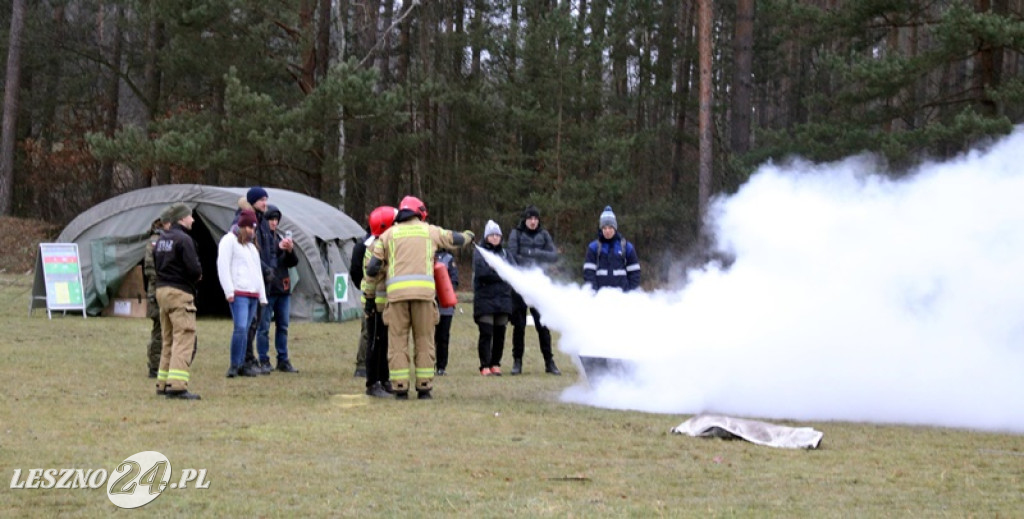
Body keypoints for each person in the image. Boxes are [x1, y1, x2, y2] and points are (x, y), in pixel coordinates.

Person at [365, 196, 474, 400]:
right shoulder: (429, 231)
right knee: (424, 340)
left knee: (397, 342)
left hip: (396, 298)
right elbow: (455, 239)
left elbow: (372, 268)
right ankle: (424, 388)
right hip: (423, 297)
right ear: (419, 213)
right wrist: (469, 235)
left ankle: (400, 388)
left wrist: (370, 297)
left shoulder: (388, 235)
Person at [153, 202, 202, 400]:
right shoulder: (184, 240)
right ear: (182, 218)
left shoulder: (161, 240)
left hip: (162, 292)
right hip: (180, 293)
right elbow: (194, 269)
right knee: (184, 337)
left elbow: (156, 265)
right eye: (190, 216)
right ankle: (177, 387)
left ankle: (163, 383)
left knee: (168, 340)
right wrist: (198, 275)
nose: (193, 219)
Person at [506, 205, 560, 375]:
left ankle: (549, 362)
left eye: (536, 218)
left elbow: (553, 255)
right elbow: (512, 256)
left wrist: (532, 252)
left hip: (538, 286)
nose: (533, 221)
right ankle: (517, 362)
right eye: (530, 218)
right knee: (519, 326)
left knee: (543, 325)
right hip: (520, 287)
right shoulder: (516, 234)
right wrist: (530, 258)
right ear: (525, 219)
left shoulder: (544, 234)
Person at [218, 209, 268, 378]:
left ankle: (241, 364)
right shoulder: (228, 241)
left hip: (252, 294)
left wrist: (262, 295)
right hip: (239, 293)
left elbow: (257, 272)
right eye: (249, 227)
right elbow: (223, 266)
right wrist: (229, 290)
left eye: (254, 228)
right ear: (242, 226)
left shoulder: (252, 248)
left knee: (246, 329)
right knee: (240, 328)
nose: (252, 231)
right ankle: (234, 364)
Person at [256, 204, 300, 373]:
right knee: (264, 327)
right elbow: (262, 258)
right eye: (271, 219)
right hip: (268, 289)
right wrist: (277, 247)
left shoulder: (280, 237)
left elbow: (293, 262)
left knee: (283, 326)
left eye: (276, 219)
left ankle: (283, 359)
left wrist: (290, 250)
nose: (274, 223)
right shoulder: (260, 238)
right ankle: (263, 359)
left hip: (283, 288)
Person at [361, 206, 398, 398]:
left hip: (386, 305)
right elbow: (370, 277)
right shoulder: (375, 247)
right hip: (376, 304)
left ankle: (384, 379)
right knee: (374, 344)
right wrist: (369, 302)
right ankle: (372, 383)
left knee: (384, 343)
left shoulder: (386, 245)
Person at [473, 220, 516, 376]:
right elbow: (482, 273)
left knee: (500, 333)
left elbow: (512, 271)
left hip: (503, 299)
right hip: (485, 299)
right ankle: (484, 365)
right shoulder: (479, 252)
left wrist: (495, 270)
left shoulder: (506, 254)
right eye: (492, 235)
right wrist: (501, 272)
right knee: (486, 332)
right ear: (486, 237)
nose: (495, 237)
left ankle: (495, 364)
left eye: (497, 235)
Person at [244, 186, 276, 374]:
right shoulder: (246, 220)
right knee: (249, 322)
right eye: (261, 200)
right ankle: (246, 359)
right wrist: (264, 268)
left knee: (256, 321)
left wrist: (271, 268)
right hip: (251, 279)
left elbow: (270, 249)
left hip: (263, 278)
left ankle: (251, 357)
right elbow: (249, 251)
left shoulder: (262, 222)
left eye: (266, 199)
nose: (265, 203)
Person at [583, 206, 641, 292]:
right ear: (601, 229)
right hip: (600, 296)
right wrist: (594, 293)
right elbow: (588, 273)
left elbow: (635, 273)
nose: (607, 231)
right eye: (604, 228)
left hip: (622, 296)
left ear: (615, 228)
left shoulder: (627, 247)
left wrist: (629, 293)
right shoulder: (593, 247)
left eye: (610, 227)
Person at [143, 212, 171, 378]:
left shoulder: (167, 239)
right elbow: (150, 268)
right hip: (157, 292)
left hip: (163, 290)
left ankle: (163, 363)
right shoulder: (155, 241)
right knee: (159, 331)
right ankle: (155, 365)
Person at [349, 219, 371, 379]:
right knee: (368, 330)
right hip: (372, 293)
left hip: (369, 292)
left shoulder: (361, 244)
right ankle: (362, 365)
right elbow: (355, 271)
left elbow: (355, 272)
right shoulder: (363, 245)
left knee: (368, 330)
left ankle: (364, 365)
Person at [433, 247, 459, 376]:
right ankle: (427, 365)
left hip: (445, 306)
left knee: (443, 337)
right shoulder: (424, 255)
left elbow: (454, 280)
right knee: (428, 338)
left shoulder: (448, 259)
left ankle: (441, 366)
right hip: (429, 304)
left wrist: (445, 291)